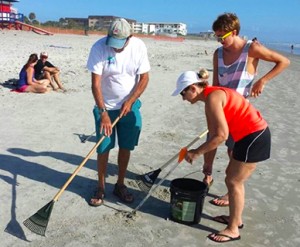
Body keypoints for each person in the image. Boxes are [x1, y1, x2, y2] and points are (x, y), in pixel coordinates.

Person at [172, 70, 271, 243]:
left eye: (183, 93)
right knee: (231, 176)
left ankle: (233, 229)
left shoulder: (212, 98)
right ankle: (236, 219)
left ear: (193, 88)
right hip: (246, 136)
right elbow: (212, 134)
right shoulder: (210, 97)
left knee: (233, 181)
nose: (183, 98)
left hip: (254, 136)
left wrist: (195, 152)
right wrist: (207, 165)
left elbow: (221, 136)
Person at [203, 12, 290, 207]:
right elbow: (217, 83)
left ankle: (229, 192)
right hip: (221, 108)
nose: (219, 41)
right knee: (212, 141)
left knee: (233, 152)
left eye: (222, 37)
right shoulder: (218, 53)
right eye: (217, 36)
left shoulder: (251, 49)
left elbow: (284, 62)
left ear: (234, 32)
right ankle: (207, 176)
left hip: (239, 113)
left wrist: (262, 81)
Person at [86, 18, 150, 206]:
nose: (115, 48)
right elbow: (95, 84)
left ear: (129, 37)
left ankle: (120, 184)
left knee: (125, 146)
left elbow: (144, 78)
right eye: (113, 43)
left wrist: (130, 101)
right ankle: (101, 186)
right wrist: (103, 112)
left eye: (120, 44)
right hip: (105, 106)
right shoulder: (99, 47)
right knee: (104, 147)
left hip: (129, 107)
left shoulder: (138, 46)